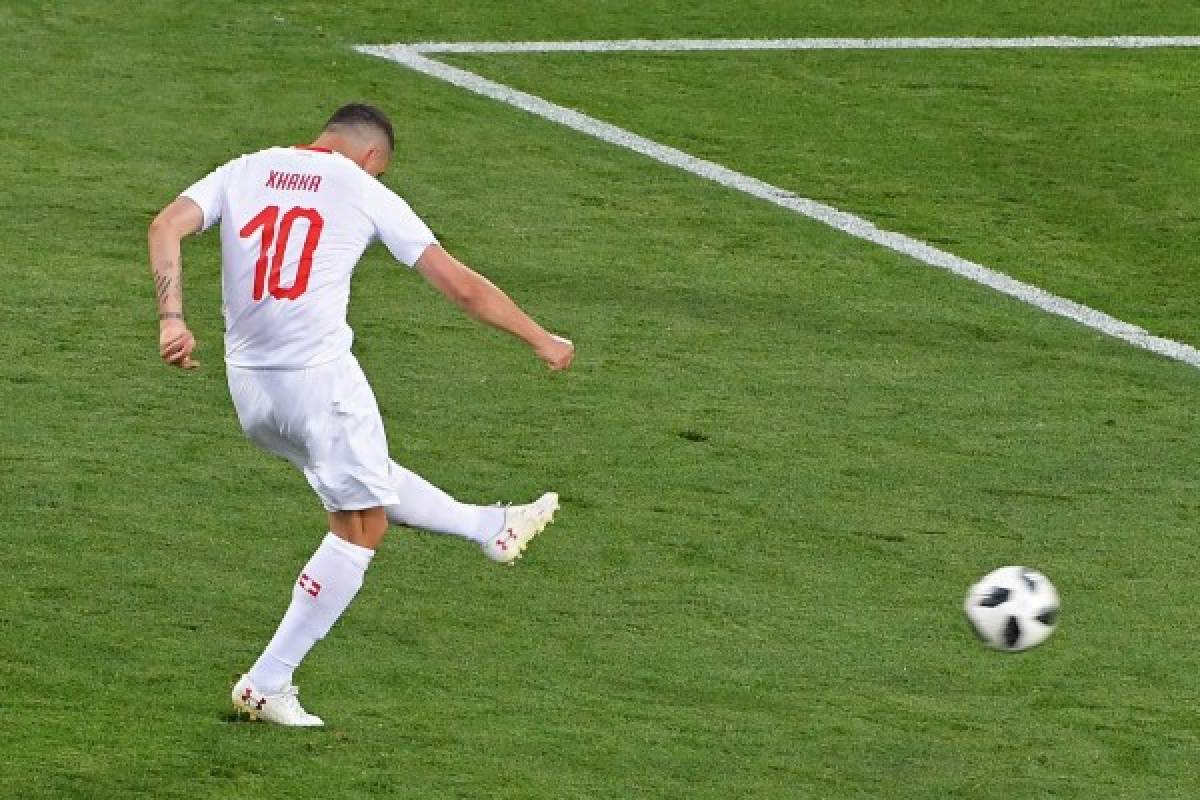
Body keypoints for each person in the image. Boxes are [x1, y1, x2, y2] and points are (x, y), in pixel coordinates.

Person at [147, 103, 575, 727]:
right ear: (374, 158)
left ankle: (492, 526)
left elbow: (165, 226)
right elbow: (459, 285)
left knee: (365, 476)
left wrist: (172, 320)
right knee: (360, 528)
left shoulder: (245, 169)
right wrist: (540, 338)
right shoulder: (361, 188)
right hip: (320, 385)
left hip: (250, 392)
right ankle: (268, 682)